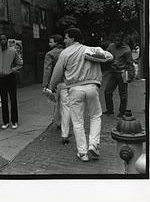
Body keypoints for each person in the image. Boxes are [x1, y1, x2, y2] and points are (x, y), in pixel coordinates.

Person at [48, 28, 113, 162]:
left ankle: (83, 152)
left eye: (66, 38)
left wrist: (51, 86)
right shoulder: (90, 50)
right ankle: (94, 145)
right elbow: (109, 56)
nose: (64, 41)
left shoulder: (65, 53)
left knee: (77, 121)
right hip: (92, 88)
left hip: (74, 89)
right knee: (95, 116)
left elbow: (57, 73)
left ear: (72, 38)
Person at [42, 34, 71, 144]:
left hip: (54, 83)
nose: (49, 44)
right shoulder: (67, 52)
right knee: (66, 106)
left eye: (51, 42)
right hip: (66, 82)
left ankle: (58, 123)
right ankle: (65, 131)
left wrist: (45, 84)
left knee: (55, 104)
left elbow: (47, 70)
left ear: (56, 43)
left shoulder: (50, 54)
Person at [0, 34, 23, 129]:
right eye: (1, 39)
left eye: (4, 39)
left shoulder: (13, 51)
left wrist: (12, 70)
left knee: (13, 99)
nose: (2, 41)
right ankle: (5, 121)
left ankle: (14, 120)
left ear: (7, 40)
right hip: (1, 77)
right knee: (4, 100)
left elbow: (19, 64)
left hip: (10, 77)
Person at [103, 33, 135, 117]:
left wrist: (131, 76)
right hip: (113, 73)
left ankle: (122, 112)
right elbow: (106, 56)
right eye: (115, 40)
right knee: (107, 92)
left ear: (122, 41)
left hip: (123, 73)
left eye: (118, 41)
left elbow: (130, 64)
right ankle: (110, 110)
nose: (116, 42)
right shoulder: (111, 46)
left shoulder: (126, 50)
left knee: (123, 94)